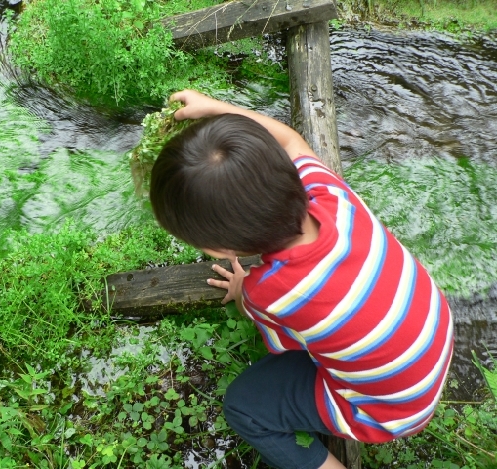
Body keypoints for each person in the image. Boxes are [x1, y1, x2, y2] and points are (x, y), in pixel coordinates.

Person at [149, 90, 454, 469]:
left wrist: (242, 288)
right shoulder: (328, 194)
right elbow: (292, 140)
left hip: (390, 411)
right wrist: (218, 108)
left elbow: (287, 347)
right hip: (432, 336)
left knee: (244, 407)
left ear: (217, 250)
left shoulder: (273, 293)